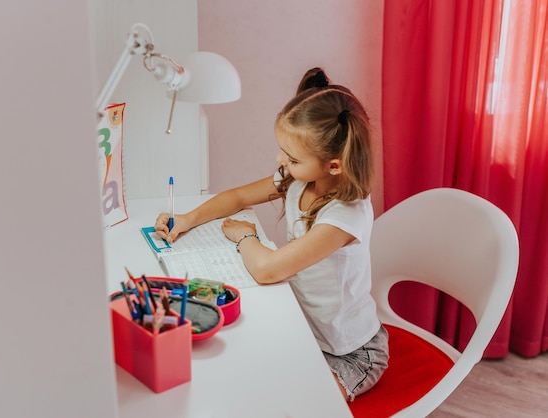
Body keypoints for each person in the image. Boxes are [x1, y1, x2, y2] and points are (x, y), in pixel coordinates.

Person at [154, 67, 388, 401]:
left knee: (296, 404)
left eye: (291, 158)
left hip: (350, 351)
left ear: (334, 165)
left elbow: (268, 269)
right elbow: (237, 197)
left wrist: (245, 237)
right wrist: (188, 218)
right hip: (304, 328)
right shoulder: (299, 179)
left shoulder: (344, 217)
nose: (281, 161)